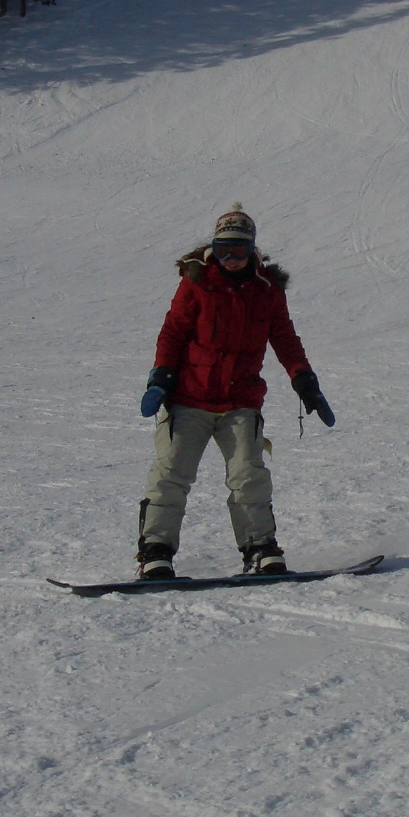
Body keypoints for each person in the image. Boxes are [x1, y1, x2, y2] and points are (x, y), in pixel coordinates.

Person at [133, 204, 335, 580]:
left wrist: (304, 379)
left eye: (239, 251)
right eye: (224, 249)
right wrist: (160, 377)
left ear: (253, 250)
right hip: (189, 399)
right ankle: (155, 552)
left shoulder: (267, 291)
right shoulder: (196, 283)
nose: (231, 258)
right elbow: (173, 332)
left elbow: (285, 338)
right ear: (212, 248)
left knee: (249, 474)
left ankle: (260, 548)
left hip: (241, 401)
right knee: (170, 473)